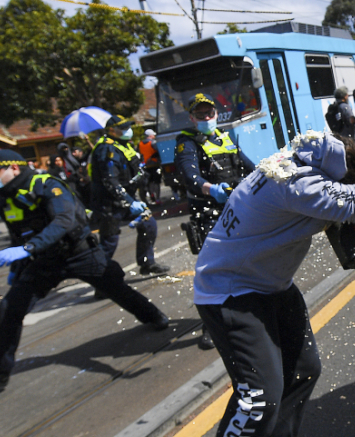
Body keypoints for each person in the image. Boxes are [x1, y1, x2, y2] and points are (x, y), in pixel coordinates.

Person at [186, 119, 355, 437]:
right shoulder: (299, 185)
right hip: (231, 293)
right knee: (258, 397)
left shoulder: (298, 160)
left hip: (270, 285)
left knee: (303, 371)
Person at [0, 150, 169, 390]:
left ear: (14, 168)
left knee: (115, 288)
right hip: (43, 261)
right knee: (9, 308)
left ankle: (153, 316)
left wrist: (27, 248)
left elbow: (63, 221)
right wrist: (17, 265)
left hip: (79, 253)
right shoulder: (5, 195)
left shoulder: (46, 185)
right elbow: (17, 232)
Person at [175, 93, 257, 349]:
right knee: (215, 271)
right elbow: (190, 177)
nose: (207, 118)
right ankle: (212, 325)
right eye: (200, 114)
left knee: (246, 262)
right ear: (192, 117)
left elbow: (246, 165)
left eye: (209, 113)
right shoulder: (186, 142)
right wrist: (212, 189)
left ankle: (246, 313)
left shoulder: (224, 136)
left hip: (237, 208)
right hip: (209, 212)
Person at [91, 114, 171, 280]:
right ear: (112, 130)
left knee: (149, 224)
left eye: (128, 127)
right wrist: (129, 202)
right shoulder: (106, 149)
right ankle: (101, 280)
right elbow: (110, 181)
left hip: (127, 198)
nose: (128, 131)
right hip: (109, 204)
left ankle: (147, 263)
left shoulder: (124, 145)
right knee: (109, 242)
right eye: (124, 128)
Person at [138, 129, 165, 204]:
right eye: (153, 135)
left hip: (146, 165)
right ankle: (158, 198)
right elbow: (159, 151)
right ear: (150, 135)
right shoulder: (153, 143)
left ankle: (152, 196)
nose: (154, 136)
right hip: (155, 164)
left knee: (150, 182)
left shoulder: (140, 144)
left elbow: (140, 154)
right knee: (156, 182)